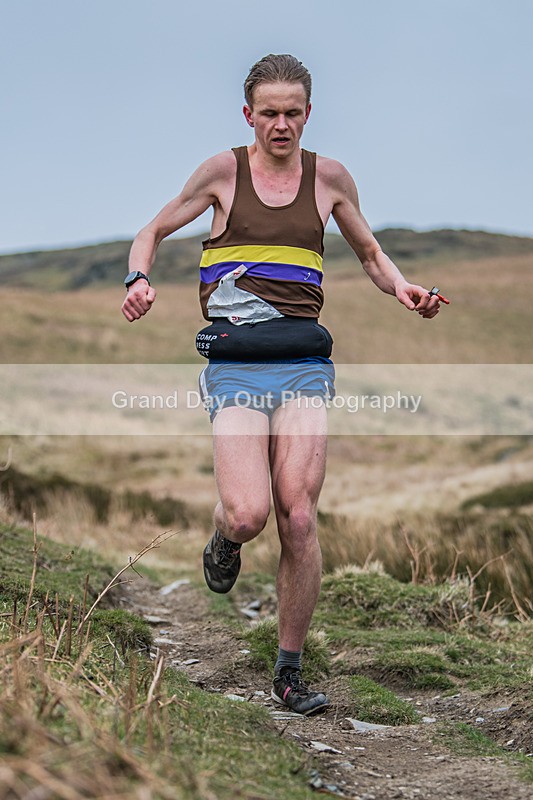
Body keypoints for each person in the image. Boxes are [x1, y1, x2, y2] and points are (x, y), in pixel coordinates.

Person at [122, 54, 441, 716]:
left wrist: (402, 287)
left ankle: (289, 670)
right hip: (236, 365)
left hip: (302, 366)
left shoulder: (329, 179)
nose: (280, 124)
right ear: (248, 115)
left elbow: (370, 254)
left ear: (307, 113)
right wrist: (139, 279)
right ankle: (222, 537)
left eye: (292, 112)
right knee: (248, 513)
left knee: (297, 514)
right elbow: (150, 232)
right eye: (267, 112)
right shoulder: (222, 172)